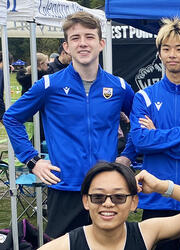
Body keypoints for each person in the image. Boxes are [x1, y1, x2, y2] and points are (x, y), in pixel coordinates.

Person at [3, 11, 135, 238]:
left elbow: (141, 124)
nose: (83, 43)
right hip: (65, 188)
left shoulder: (120, 88)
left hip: (106, 191)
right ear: (67, 46)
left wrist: (128, 155)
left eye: (89, 37)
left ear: (101, 43)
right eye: (75, 38)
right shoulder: (49, 85)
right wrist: (33, 161)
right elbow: (11, 118)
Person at [123, 17, 180, 250]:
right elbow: (140, 141)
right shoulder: (144, 97)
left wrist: (158, 136)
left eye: (179, 49)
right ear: (159, 54)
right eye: (166, 49)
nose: (172, 54)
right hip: (155, 196)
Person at [39, 162, 180, 250]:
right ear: (86, 201)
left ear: (133, 202)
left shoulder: (146, 233)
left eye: (119, 197)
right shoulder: (66, 245)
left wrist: (162, 187)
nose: (108, 203)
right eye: (98, 197)